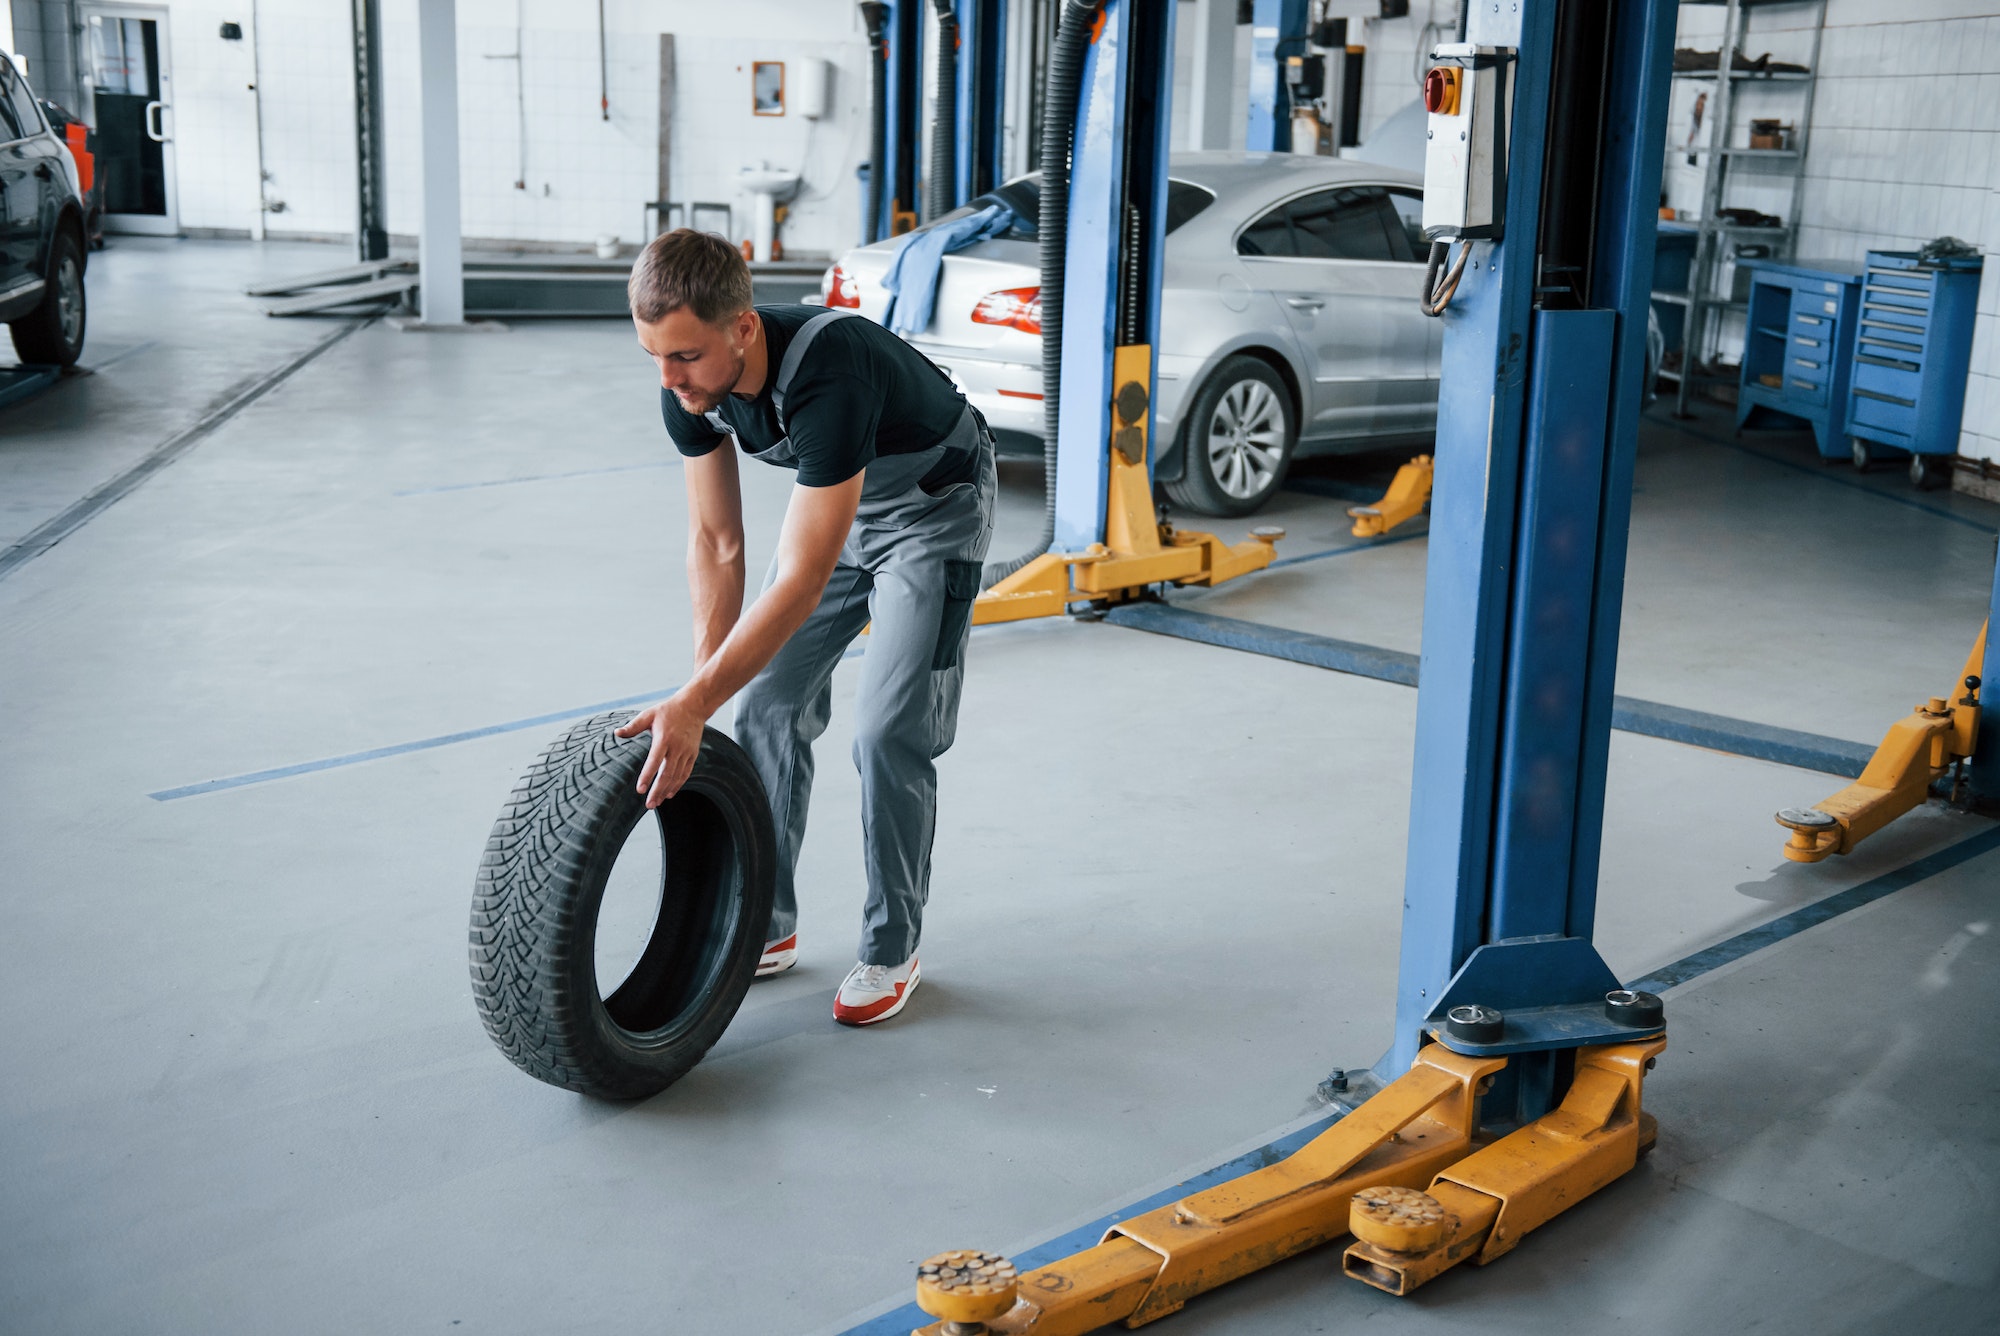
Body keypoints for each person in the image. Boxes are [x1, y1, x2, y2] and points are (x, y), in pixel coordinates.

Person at [617, 229, 995, 1026]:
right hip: (843, 510)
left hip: (935, 511)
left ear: (742, 329)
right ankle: (766, 924)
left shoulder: (830, 374)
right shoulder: (688, 390)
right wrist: (702, 688)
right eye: (653, 354)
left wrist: (693, 700)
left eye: (683, 355)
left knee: (889, 730)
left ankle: (892, 947)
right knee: (762, 705)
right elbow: (717, 546)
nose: (667, 378)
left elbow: (799, 579)